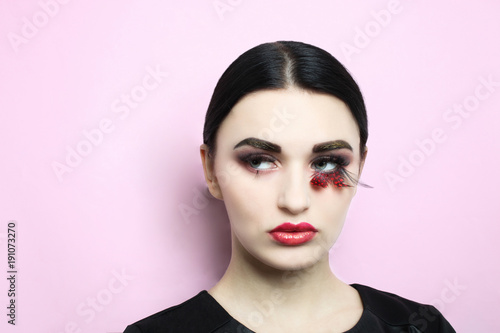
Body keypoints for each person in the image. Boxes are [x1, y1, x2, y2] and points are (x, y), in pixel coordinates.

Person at [123, 41, 456, 332]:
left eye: (327, 162)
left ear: (360, 165)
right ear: (211, 169)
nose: (295, 201)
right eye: (259, 161)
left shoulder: (421, 327)